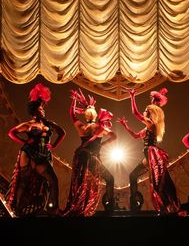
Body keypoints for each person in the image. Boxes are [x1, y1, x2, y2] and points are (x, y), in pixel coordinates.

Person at [5, 83, 66, 217]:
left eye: (43, 108)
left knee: (50, 181)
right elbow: (11, 133)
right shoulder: (28, 125)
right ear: (34, 111)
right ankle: (18, 208)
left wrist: (54, 145)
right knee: (25, 181)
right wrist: (25, 141)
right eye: (40, 108)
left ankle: (52, 209)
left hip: (43, 156)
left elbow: (62, 132)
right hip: (29, 154)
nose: (43, 110)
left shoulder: (48, 123)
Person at [117, 87, 180, 215]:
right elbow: (135, 136)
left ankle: (166, 209)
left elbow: (135, 113)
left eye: (146, 110)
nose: (144, 112)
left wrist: (132, 96)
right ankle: (134, 205)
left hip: (152, 154)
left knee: (157, 184)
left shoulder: (152, 124)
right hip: (148, 156)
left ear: (151, 113)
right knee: (133, 175)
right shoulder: (147, 128)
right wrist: (125, 126)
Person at [62, 88, 117, 217]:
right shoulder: (100, 127)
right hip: (92, 157)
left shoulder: (82, 127)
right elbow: (114, 136)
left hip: (81, 155)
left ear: (86, 115)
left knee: (81, 182)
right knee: (109, 178)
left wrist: (74, 100)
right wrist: (102, 144)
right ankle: (109, 208)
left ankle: (79, 206)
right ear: (95, 114)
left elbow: (72, 114)